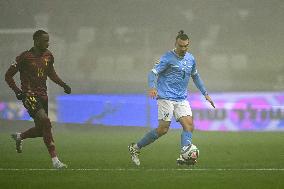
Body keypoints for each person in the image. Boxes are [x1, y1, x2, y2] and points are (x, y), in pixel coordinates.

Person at [128, 30, 215, 166]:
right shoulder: (167, 58)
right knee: (163, 130)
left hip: (181, 98)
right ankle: (135, 148)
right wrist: (152, 87)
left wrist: (205, 93)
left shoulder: (191, 58)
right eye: (181, 46)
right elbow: (152, 73)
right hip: (166, 97)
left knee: (189, 126)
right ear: (176, 44)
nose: (183, 49)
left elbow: (195, 76)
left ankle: (183, 156)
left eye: (186, 46)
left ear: (188, 45)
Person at [5, 30, 72, 169]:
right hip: (29, 95)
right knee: (46, 121)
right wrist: (18, 91)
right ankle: (55, 161)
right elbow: (8, 76)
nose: (48, 43)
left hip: (43, 96)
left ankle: (20, 136)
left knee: (42, 130)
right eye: (45, 41)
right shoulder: (24, 57)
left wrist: (63, 84)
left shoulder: (48, 56)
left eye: (48, 40)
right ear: (36, 41)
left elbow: (51, 73)